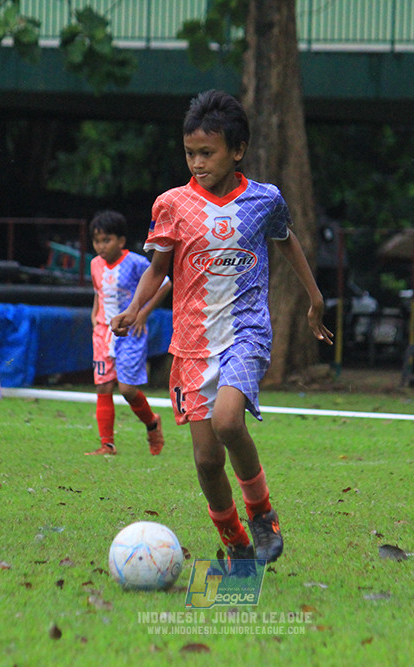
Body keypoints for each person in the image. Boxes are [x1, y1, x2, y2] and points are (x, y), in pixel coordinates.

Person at [111, 90, 333, 571]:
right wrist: (135, 309)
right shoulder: (172, 205)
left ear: (237, 150)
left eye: (206, 153)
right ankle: (233, 538)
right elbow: (158, 269)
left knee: (230, 421)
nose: (196, 162)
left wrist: (315, 298)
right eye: (190, 153)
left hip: (245, 333)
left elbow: (287, 241)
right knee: (207, 461)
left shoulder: (264, 199)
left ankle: (262, 515)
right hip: (191, 345)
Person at [85, 209, 171, 456]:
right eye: (97, 241)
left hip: (130, 333)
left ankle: (152, 423)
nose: (101, 246)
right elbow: (99, 292)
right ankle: (107, 445)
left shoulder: (135, 262)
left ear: (121, 241)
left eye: (106, 240)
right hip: (103, 332)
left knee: (127, 390)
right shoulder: (94, 264)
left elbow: (164, 284)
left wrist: (142, 314)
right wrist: (95, 315)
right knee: (103, 386)